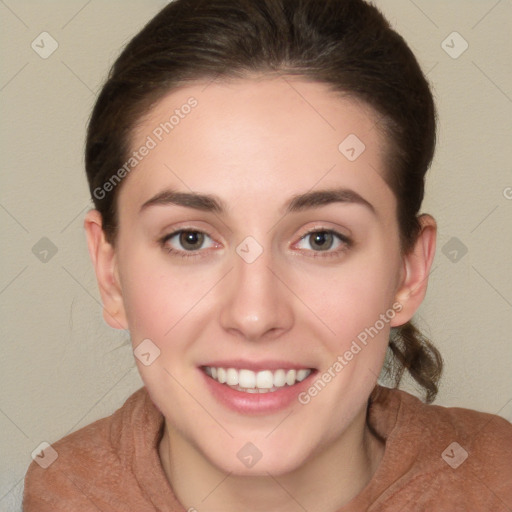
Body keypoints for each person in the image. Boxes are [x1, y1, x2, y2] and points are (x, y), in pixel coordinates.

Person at [23, 0, 512, 510]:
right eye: (190, 238)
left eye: (322, 239)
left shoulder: (498, 482)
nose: (255, 315)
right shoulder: (63, 490)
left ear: (409, 272)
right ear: (110, 273)